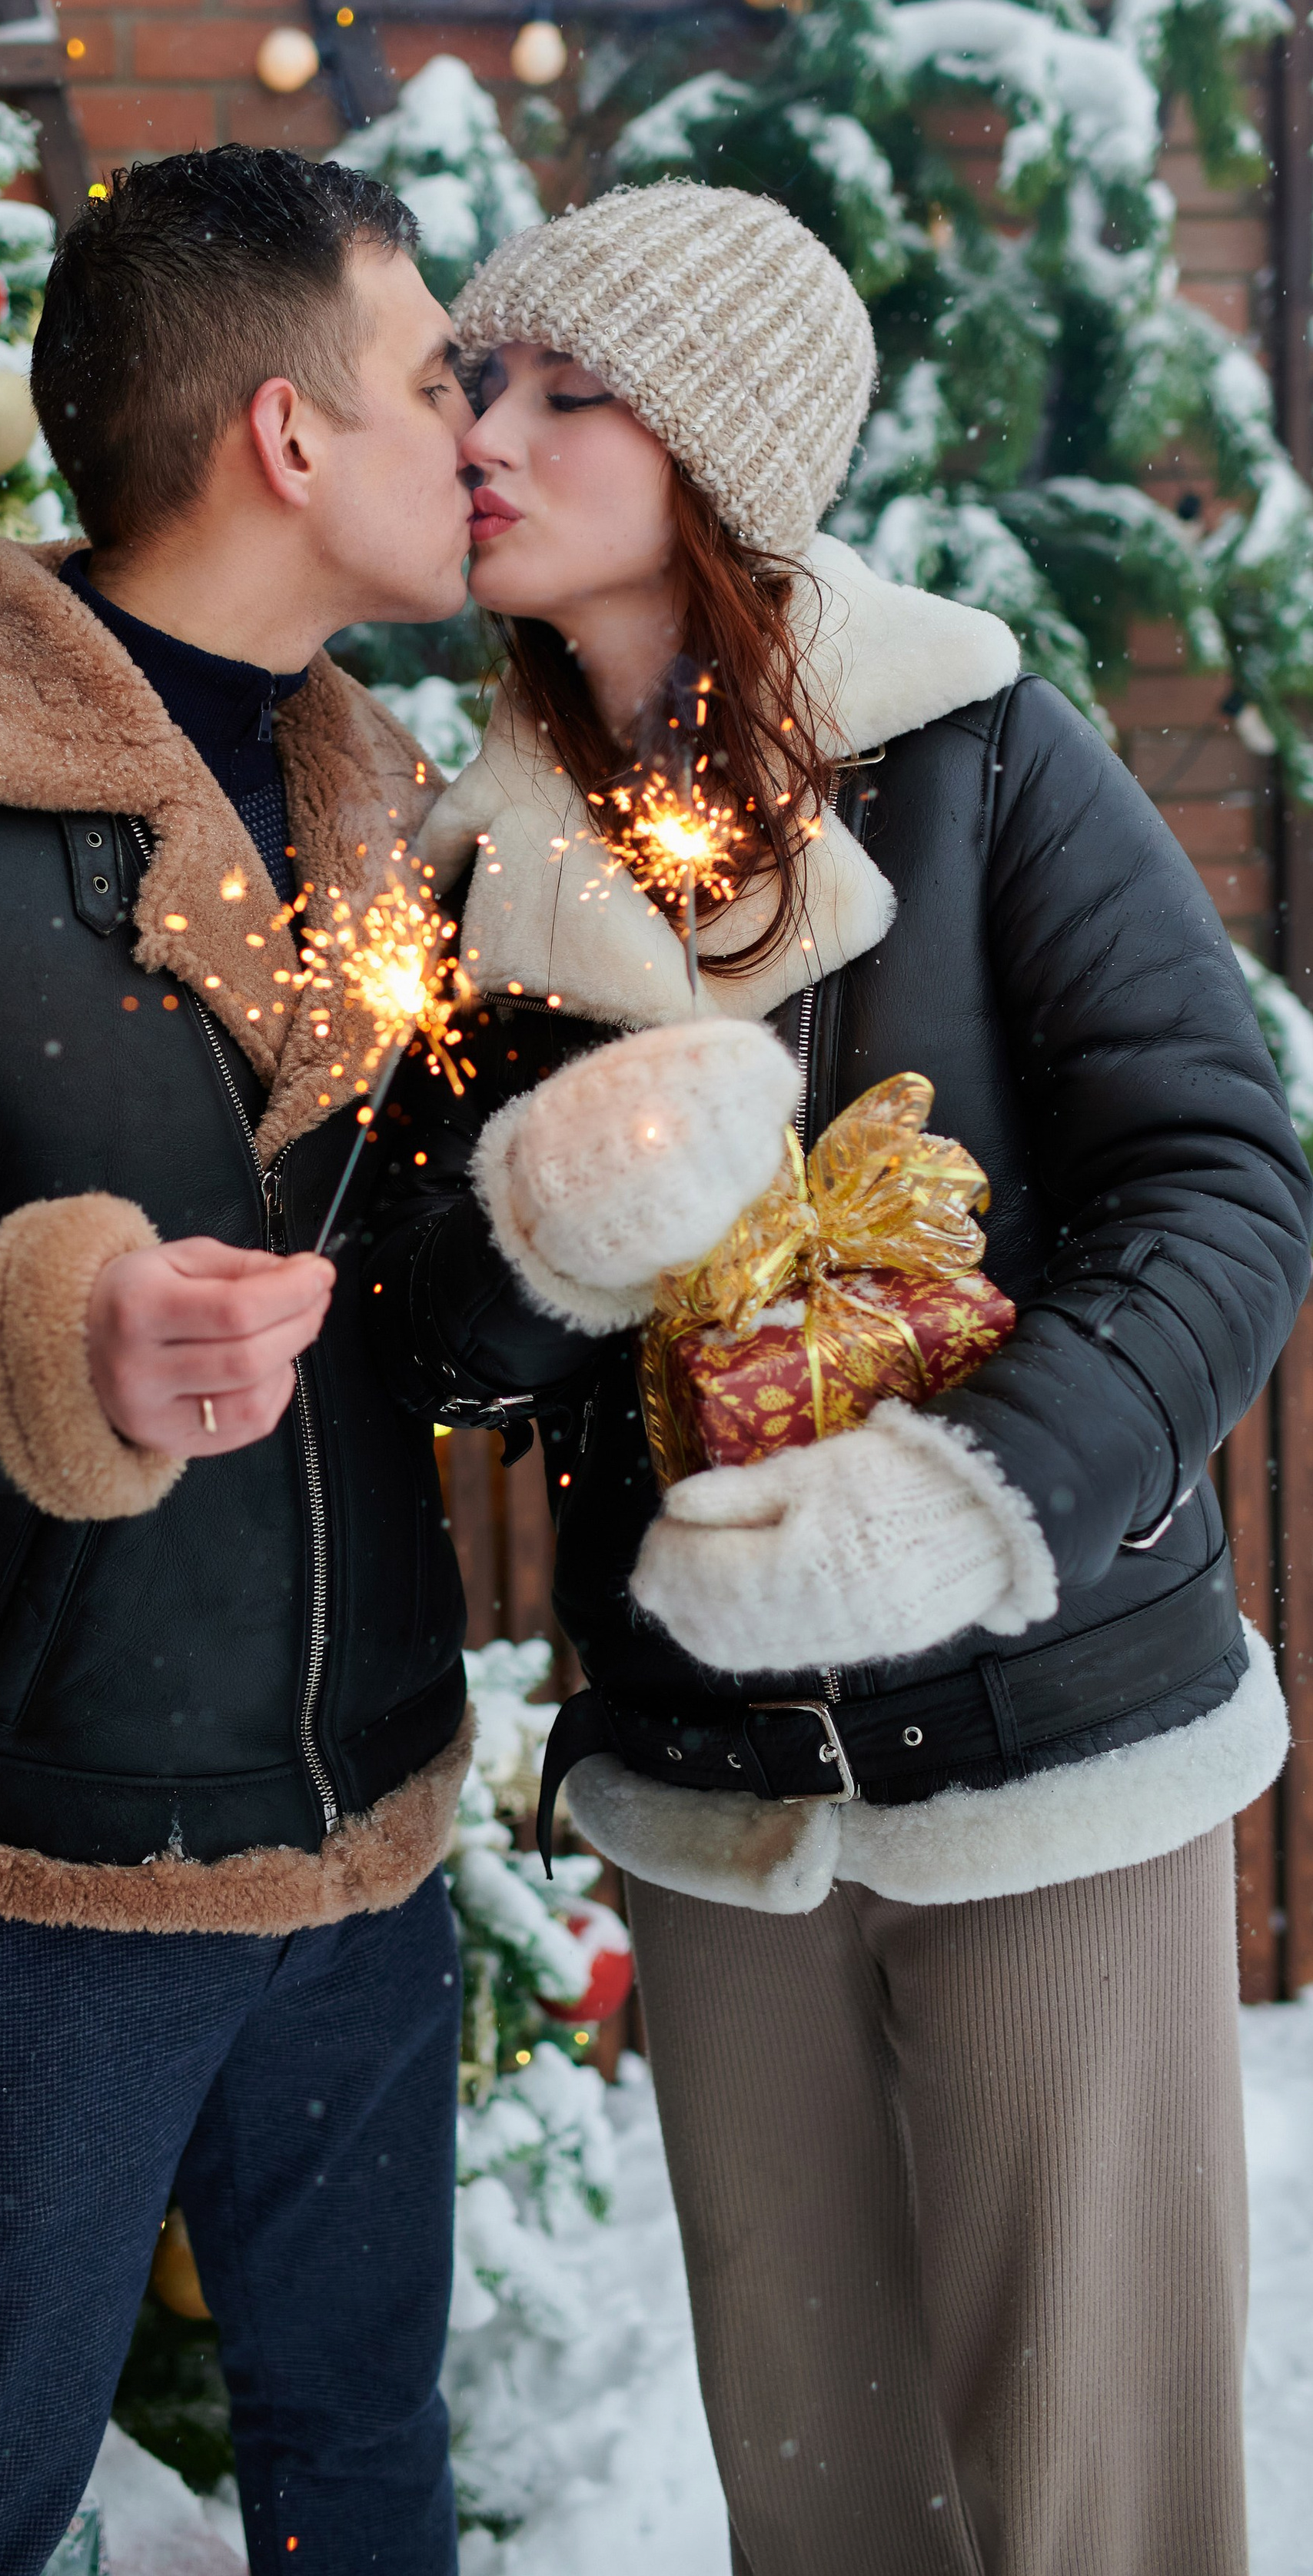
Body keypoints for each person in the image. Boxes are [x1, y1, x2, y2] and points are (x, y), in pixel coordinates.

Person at [0, 150, 781, 2576]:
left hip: (358, 1840)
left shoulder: (393, 833)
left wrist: (560, 1225)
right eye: (440, 378)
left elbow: (411, 1299)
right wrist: (35, 1334)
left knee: (365, 2489)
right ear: (292, 439)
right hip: (7, 1883)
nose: (480, 436)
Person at [365, 182, 1312, 2576]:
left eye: (576, 394)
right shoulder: (468, 868)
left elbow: (1224, 1179)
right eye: (487, 379)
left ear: (716, 459)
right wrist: (539, 1231)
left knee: (1102, 2494)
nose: (494, 431)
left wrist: (986, 1494)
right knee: (821, 2490)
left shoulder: (984, 752)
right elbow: (419, 1333)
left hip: (1051, 1752)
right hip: (713, 1792)